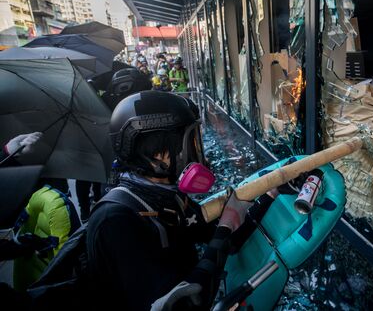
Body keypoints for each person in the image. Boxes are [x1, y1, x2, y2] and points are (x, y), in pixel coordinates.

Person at [86, 91, 281, 310]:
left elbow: (228, 242)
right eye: (187, 143)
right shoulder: (117, 221)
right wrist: (225, 225)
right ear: (157, 154)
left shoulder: (166, 196)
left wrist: (271, 194)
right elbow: (184, 304)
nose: (193, 152)